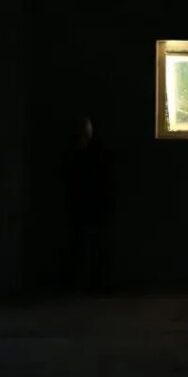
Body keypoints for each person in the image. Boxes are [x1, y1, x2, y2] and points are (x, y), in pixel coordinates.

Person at [63, 115, 114, 293]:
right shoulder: (92, 157)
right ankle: (90, 283)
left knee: (88, 245)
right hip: (89, 208)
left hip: (87, 208)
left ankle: (86, 283)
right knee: (90, 245)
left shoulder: (80, 157)